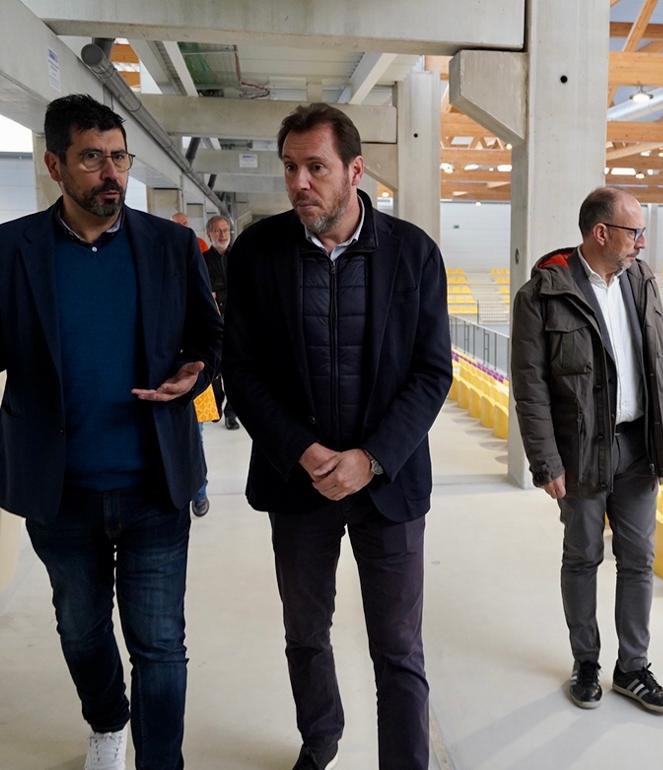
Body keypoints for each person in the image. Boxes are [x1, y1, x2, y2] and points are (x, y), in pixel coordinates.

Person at [0, 94, 223, 770]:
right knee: (80, 628)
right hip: (60, 487)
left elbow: (210, 336)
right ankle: (108, 720)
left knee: (160, 641)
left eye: (119, 157)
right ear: (55, 164)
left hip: (154, 482)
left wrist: (198, 372)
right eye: (92, 158)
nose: (111, 172)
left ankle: (163, 763)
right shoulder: (9, 248)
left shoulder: (166, 246)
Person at [223, 103, 451, 770]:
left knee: (398, 647)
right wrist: (304, 449)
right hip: (300, 484)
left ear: (354, 171)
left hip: (390, 485)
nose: (300, 182)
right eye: (290, 167)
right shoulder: (258, 255)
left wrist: (373, 458)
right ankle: (320, 737)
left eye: (315, 167)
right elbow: (242, 369)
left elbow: (432, 371)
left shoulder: (413, 255)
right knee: (305, 631)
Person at [510, 186, 663, 716]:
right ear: (601, 233)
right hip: (581, 452)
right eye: (635, 232)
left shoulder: (644, 281)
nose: (642, 242)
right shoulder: (541, 294)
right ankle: (585, 662)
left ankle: (632, 667)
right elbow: (530, 386)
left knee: (639, 560)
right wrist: (545, 461)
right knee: (583, 557)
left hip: (639, 448)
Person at [201, 214, 238, 430]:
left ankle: (231, 413)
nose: (222, 234)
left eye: (225, 230)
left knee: (234, 371)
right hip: (213, 322)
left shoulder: (240, 256)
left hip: (237, 323)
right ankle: (216, 401)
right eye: (218, 230)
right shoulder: (202, 260)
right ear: (209, 234)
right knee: (214, 367)